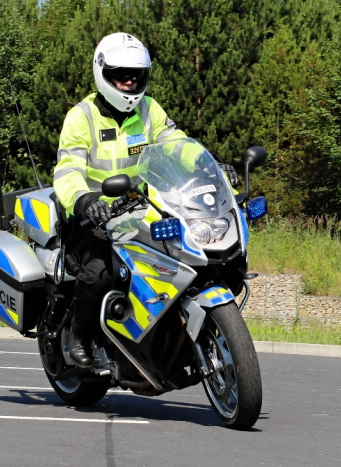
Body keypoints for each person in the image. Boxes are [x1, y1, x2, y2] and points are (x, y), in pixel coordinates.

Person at [53, 32, 238, 367]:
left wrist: (207, 165)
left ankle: (165, 331)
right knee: (99, 272)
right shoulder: (82, 117)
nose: (129, 82)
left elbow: (175, 142)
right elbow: (67, 171)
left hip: (143, 209)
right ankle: (79, 336)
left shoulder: (149, 108)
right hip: (93, 216)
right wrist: (83, 199)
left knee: (195, 255)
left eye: (136, 76)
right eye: (121, 75)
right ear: (102, 72)